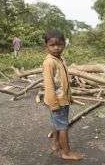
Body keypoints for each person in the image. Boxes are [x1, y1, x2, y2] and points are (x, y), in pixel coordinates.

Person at [42, 30, 83, 160]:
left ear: (64, 44)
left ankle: (55, 144)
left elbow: (64, 81)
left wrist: (69, 97)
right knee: (63, 126)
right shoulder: (49, 62)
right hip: (57, 101)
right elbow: (49, 85)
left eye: (59, 44)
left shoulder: (60, 59)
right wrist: (54, 104)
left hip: (62, 100)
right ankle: (66, 152)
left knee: (56, 124)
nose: (56, 48)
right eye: (52, 45)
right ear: (46, 46)